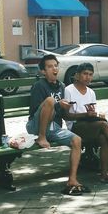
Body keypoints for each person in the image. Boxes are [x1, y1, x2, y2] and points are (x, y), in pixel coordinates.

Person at [26, 54, 89, 196]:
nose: (54, 68)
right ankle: (42, 137)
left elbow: (61, 113)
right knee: (49, 101)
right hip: (35, 126)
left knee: (77, 140)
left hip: (54, 126)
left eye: (55, 65)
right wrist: (55, 104)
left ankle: (72, 180)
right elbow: (37, 110)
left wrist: (64, 107)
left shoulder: (61, 86)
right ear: (43, 71)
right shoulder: (39, 86)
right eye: (49, 66)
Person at [64, 62, 108, 183]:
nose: (88, 77)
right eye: (85, 74)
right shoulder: (69, 90)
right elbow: (66, 116)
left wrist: (95, 115)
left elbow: (92, 112)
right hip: (75, 126)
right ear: (77, 75)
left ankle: (104, 174)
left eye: (90, 74)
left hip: (90, 125)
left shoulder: (91, 92)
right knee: (103, 125)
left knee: (104, 138)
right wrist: (85, 115)